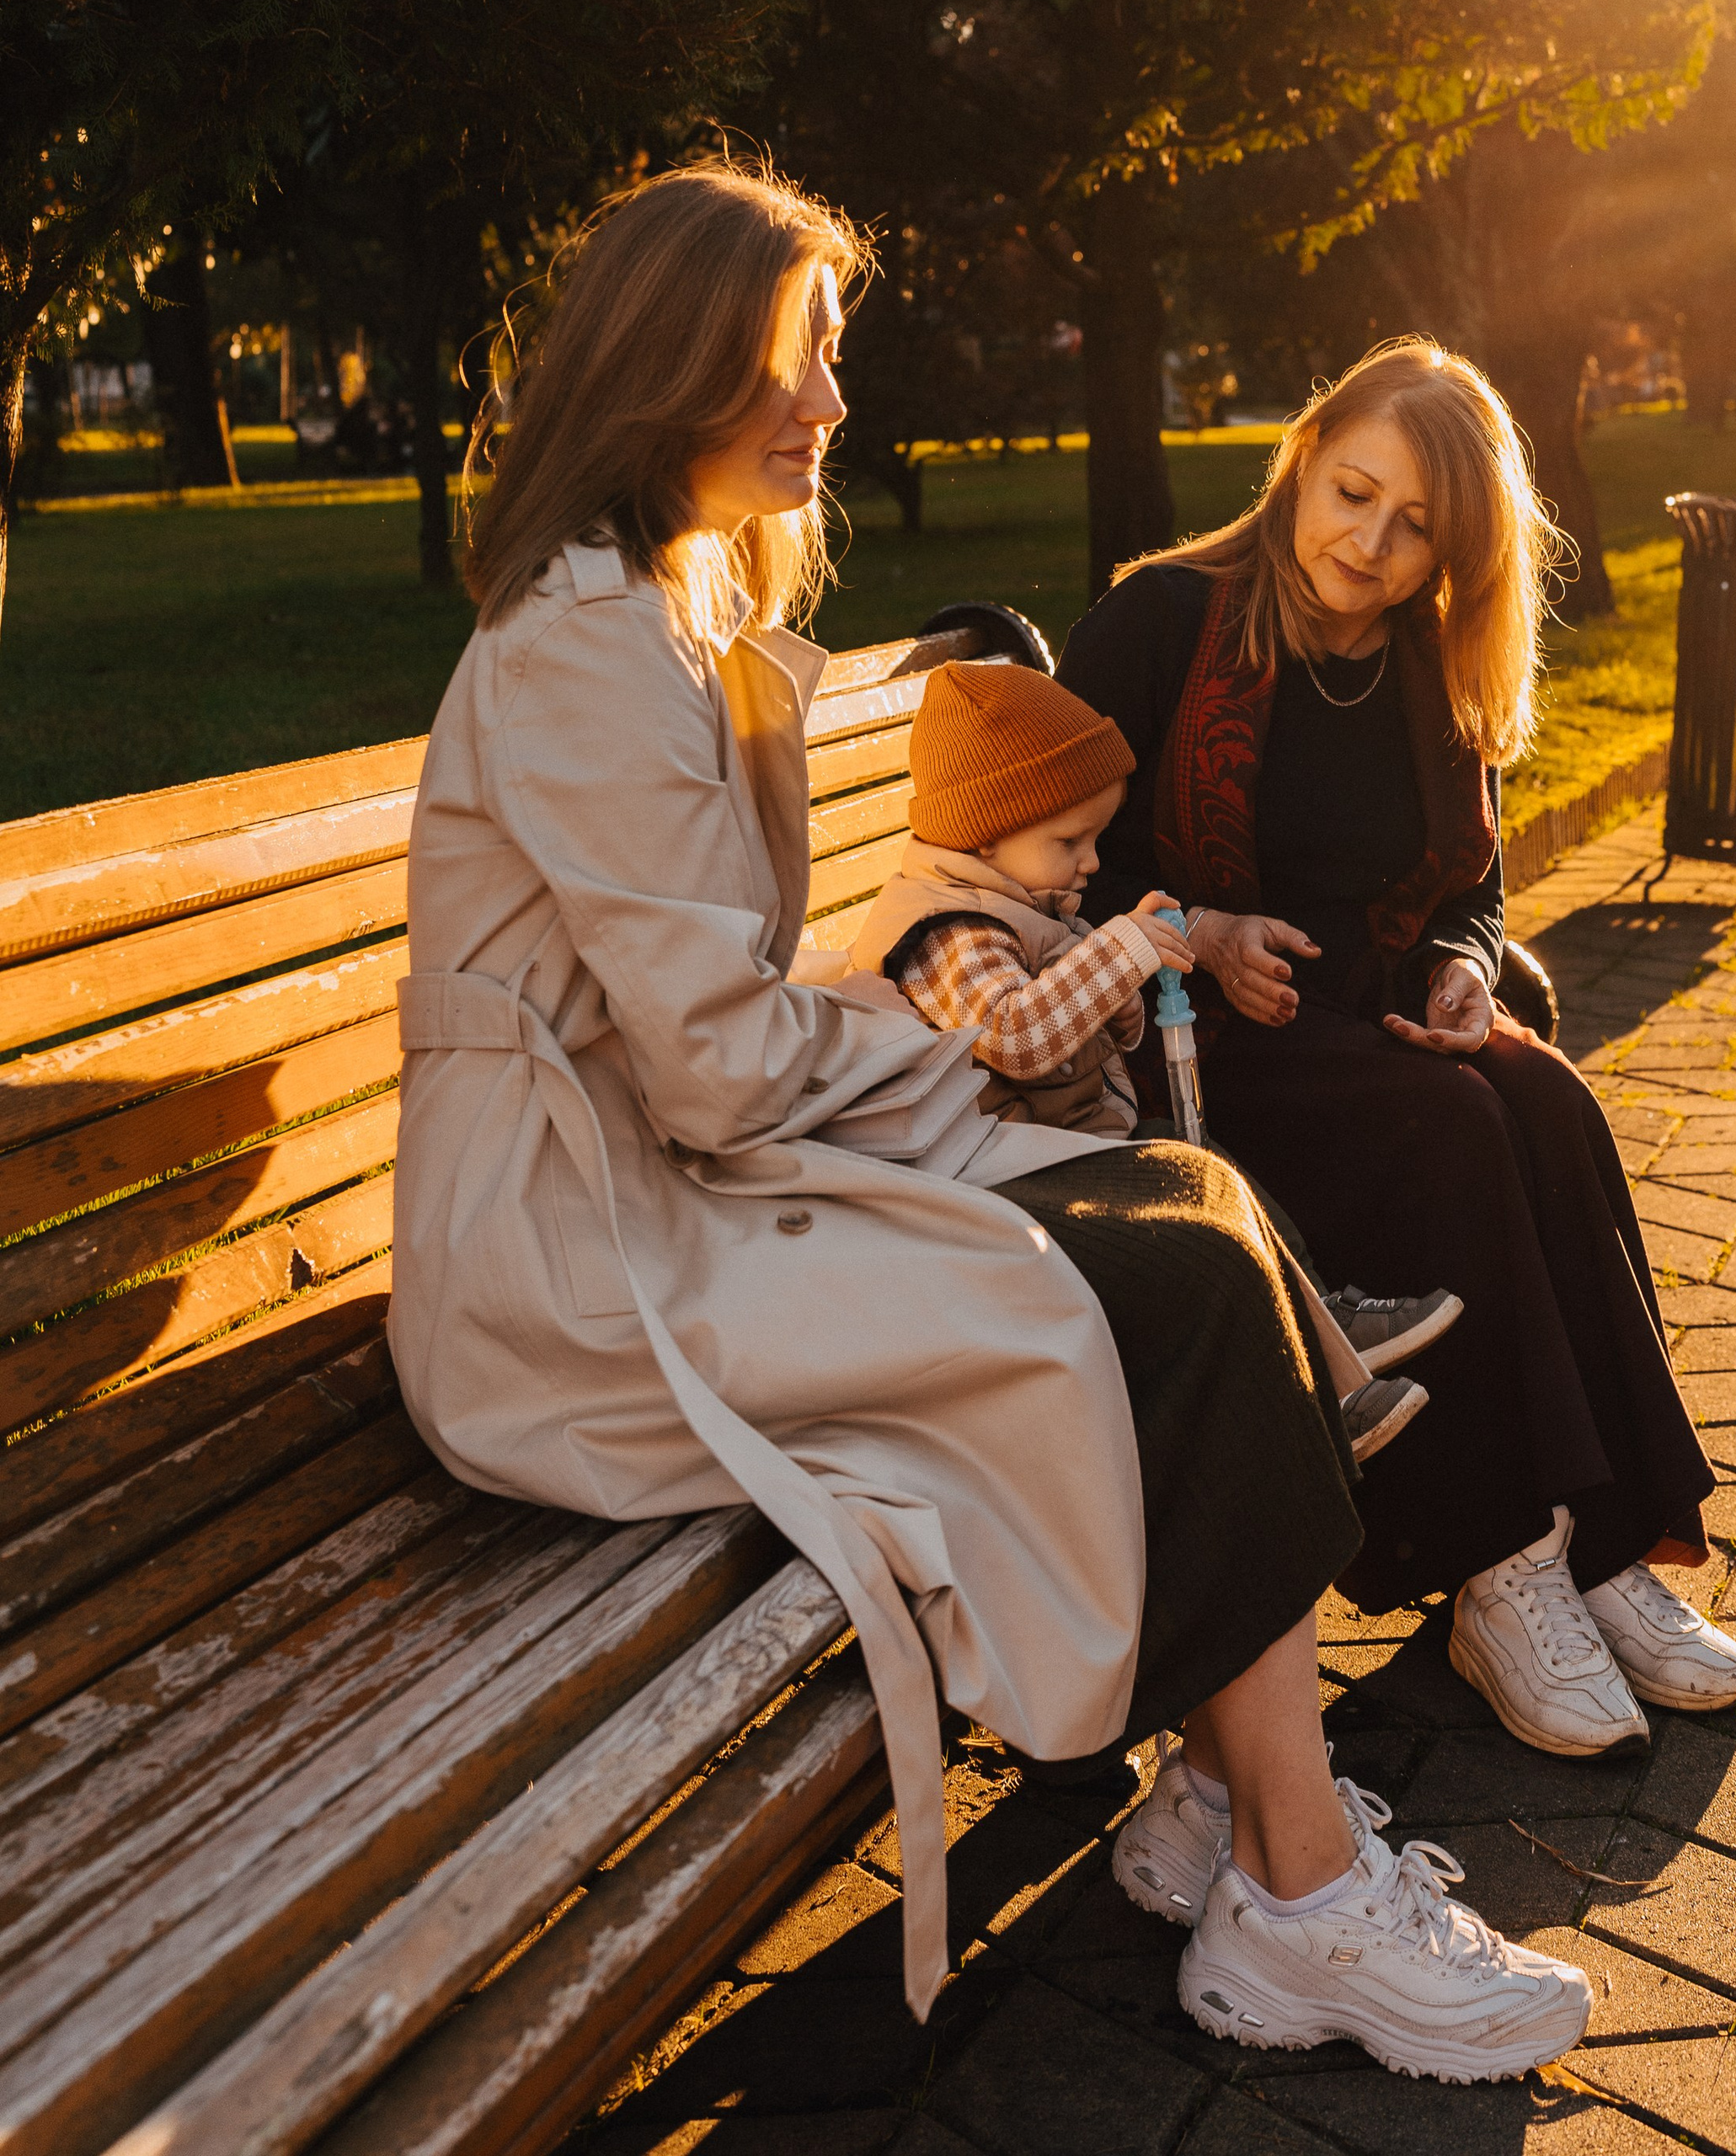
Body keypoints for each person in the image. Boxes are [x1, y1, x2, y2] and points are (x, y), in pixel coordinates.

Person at [387, 167, 1593, 2080]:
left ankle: (1251, 1829)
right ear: (679, 365)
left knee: (1184, 1203)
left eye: (828, 358)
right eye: (800, 358)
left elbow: (719, 1034)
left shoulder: (663, 618)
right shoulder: (580, 652)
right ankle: (1291, 1878)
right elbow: (708, 1061)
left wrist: (918, 1062)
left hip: (670, 1181)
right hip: (578, 1263)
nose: (829, 402)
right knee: (1168, 1276)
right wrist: (947, 1063)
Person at [1059, 338, 1736, 1758]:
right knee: (1451, 1131)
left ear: (1458, 545)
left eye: (1415, 524)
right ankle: (1500, 1564)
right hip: (1198, 1043)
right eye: (1352, 492)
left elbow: (1474, 881)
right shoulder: (1165, 617)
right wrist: (1198, 924)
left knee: (1543, 1100)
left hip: (1377, 1019)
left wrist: (1463, 962)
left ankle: (1599, 1543)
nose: (1367, 544)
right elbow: (1054, 863)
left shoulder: (1433, 654)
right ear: (1305, 456)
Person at [831, 654, 1440, 1461]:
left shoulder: (1023, 901)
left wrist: (1114, 1003)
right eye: (1069, 839)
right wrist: (1113, 956)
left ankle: (1325, 1326)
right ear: (986, 831)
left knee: (1217, 1169)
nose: (1090, 861)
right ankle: (1322, 1386)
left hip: (1066, 1142)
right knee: (1199, 1193)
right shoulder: (948, 931)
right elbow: (1012, 1038)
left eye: (1095, 838)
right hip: (997, 1174)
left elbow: (1073, 1032)